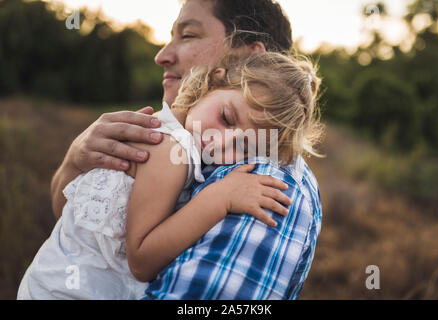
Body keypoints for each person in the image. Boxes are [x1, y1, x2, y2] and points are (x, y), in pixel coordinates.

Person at [49, 0, 323, 299]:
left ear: (245, 57)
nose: (161, 56)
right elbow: (85, 229)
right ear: (220, 78)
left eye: (188, 35)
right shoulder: (169, 142)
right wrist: (74, 162)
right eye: (226, 118)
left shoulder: (267, 177)